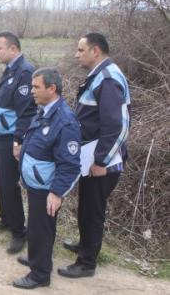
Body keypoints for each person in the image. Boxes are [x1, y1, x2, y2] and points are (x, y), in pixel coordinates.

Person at [59, 32, 131, 278]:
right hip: (91, 156)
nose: (76, 55)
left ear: (95, 51)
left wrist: (102, 161)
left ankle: (86, 263)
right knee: (87, 205)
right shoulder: (100, 75)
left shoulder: (108, 79)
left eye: (81, 50)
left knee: (92, 210)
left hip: (101, 160)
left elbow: (117, 125)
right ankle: (86, 245)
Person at [12, 68, 81, 289]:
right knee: (36, 227)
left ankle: (40, 275)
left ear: (52, 89)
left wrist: (57, 192)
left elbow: (70, 165)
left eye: (36, 87)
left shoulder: (65, 121)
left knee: (41, 228)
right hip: (35, 183)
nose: (32, 91)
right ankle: (37, 258)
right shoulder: (44, 110)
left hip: (47, 188)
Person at [0, 31, 37, 254]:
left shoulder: (25, 72)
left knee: (10, 184)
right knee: (0, 181)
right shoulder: (9, 70)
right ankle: (5, 219)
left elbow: (26, 111)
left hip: (11, 140)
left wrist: (18, 140)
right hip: (0, 138)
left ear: (13, 49)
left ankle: (19, 231)